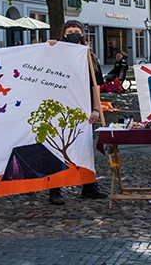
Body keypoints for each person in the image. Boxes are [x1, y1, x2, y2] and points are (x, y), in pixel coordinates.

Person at [47, 20, 106, 204]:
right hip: (60, 108)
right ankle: (54, 189)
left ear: (82, 34)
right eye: (70, 31)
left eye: (76, 30)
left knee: (84, 148)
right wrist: (49, 48)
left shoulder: (89, 56)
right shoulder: (56, 54)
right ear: (64, 34)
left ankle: (89, 186)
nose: (73, 33)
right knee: (57, 148)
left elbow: (95, 86)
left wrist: (96, 108)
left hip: (84, 109)